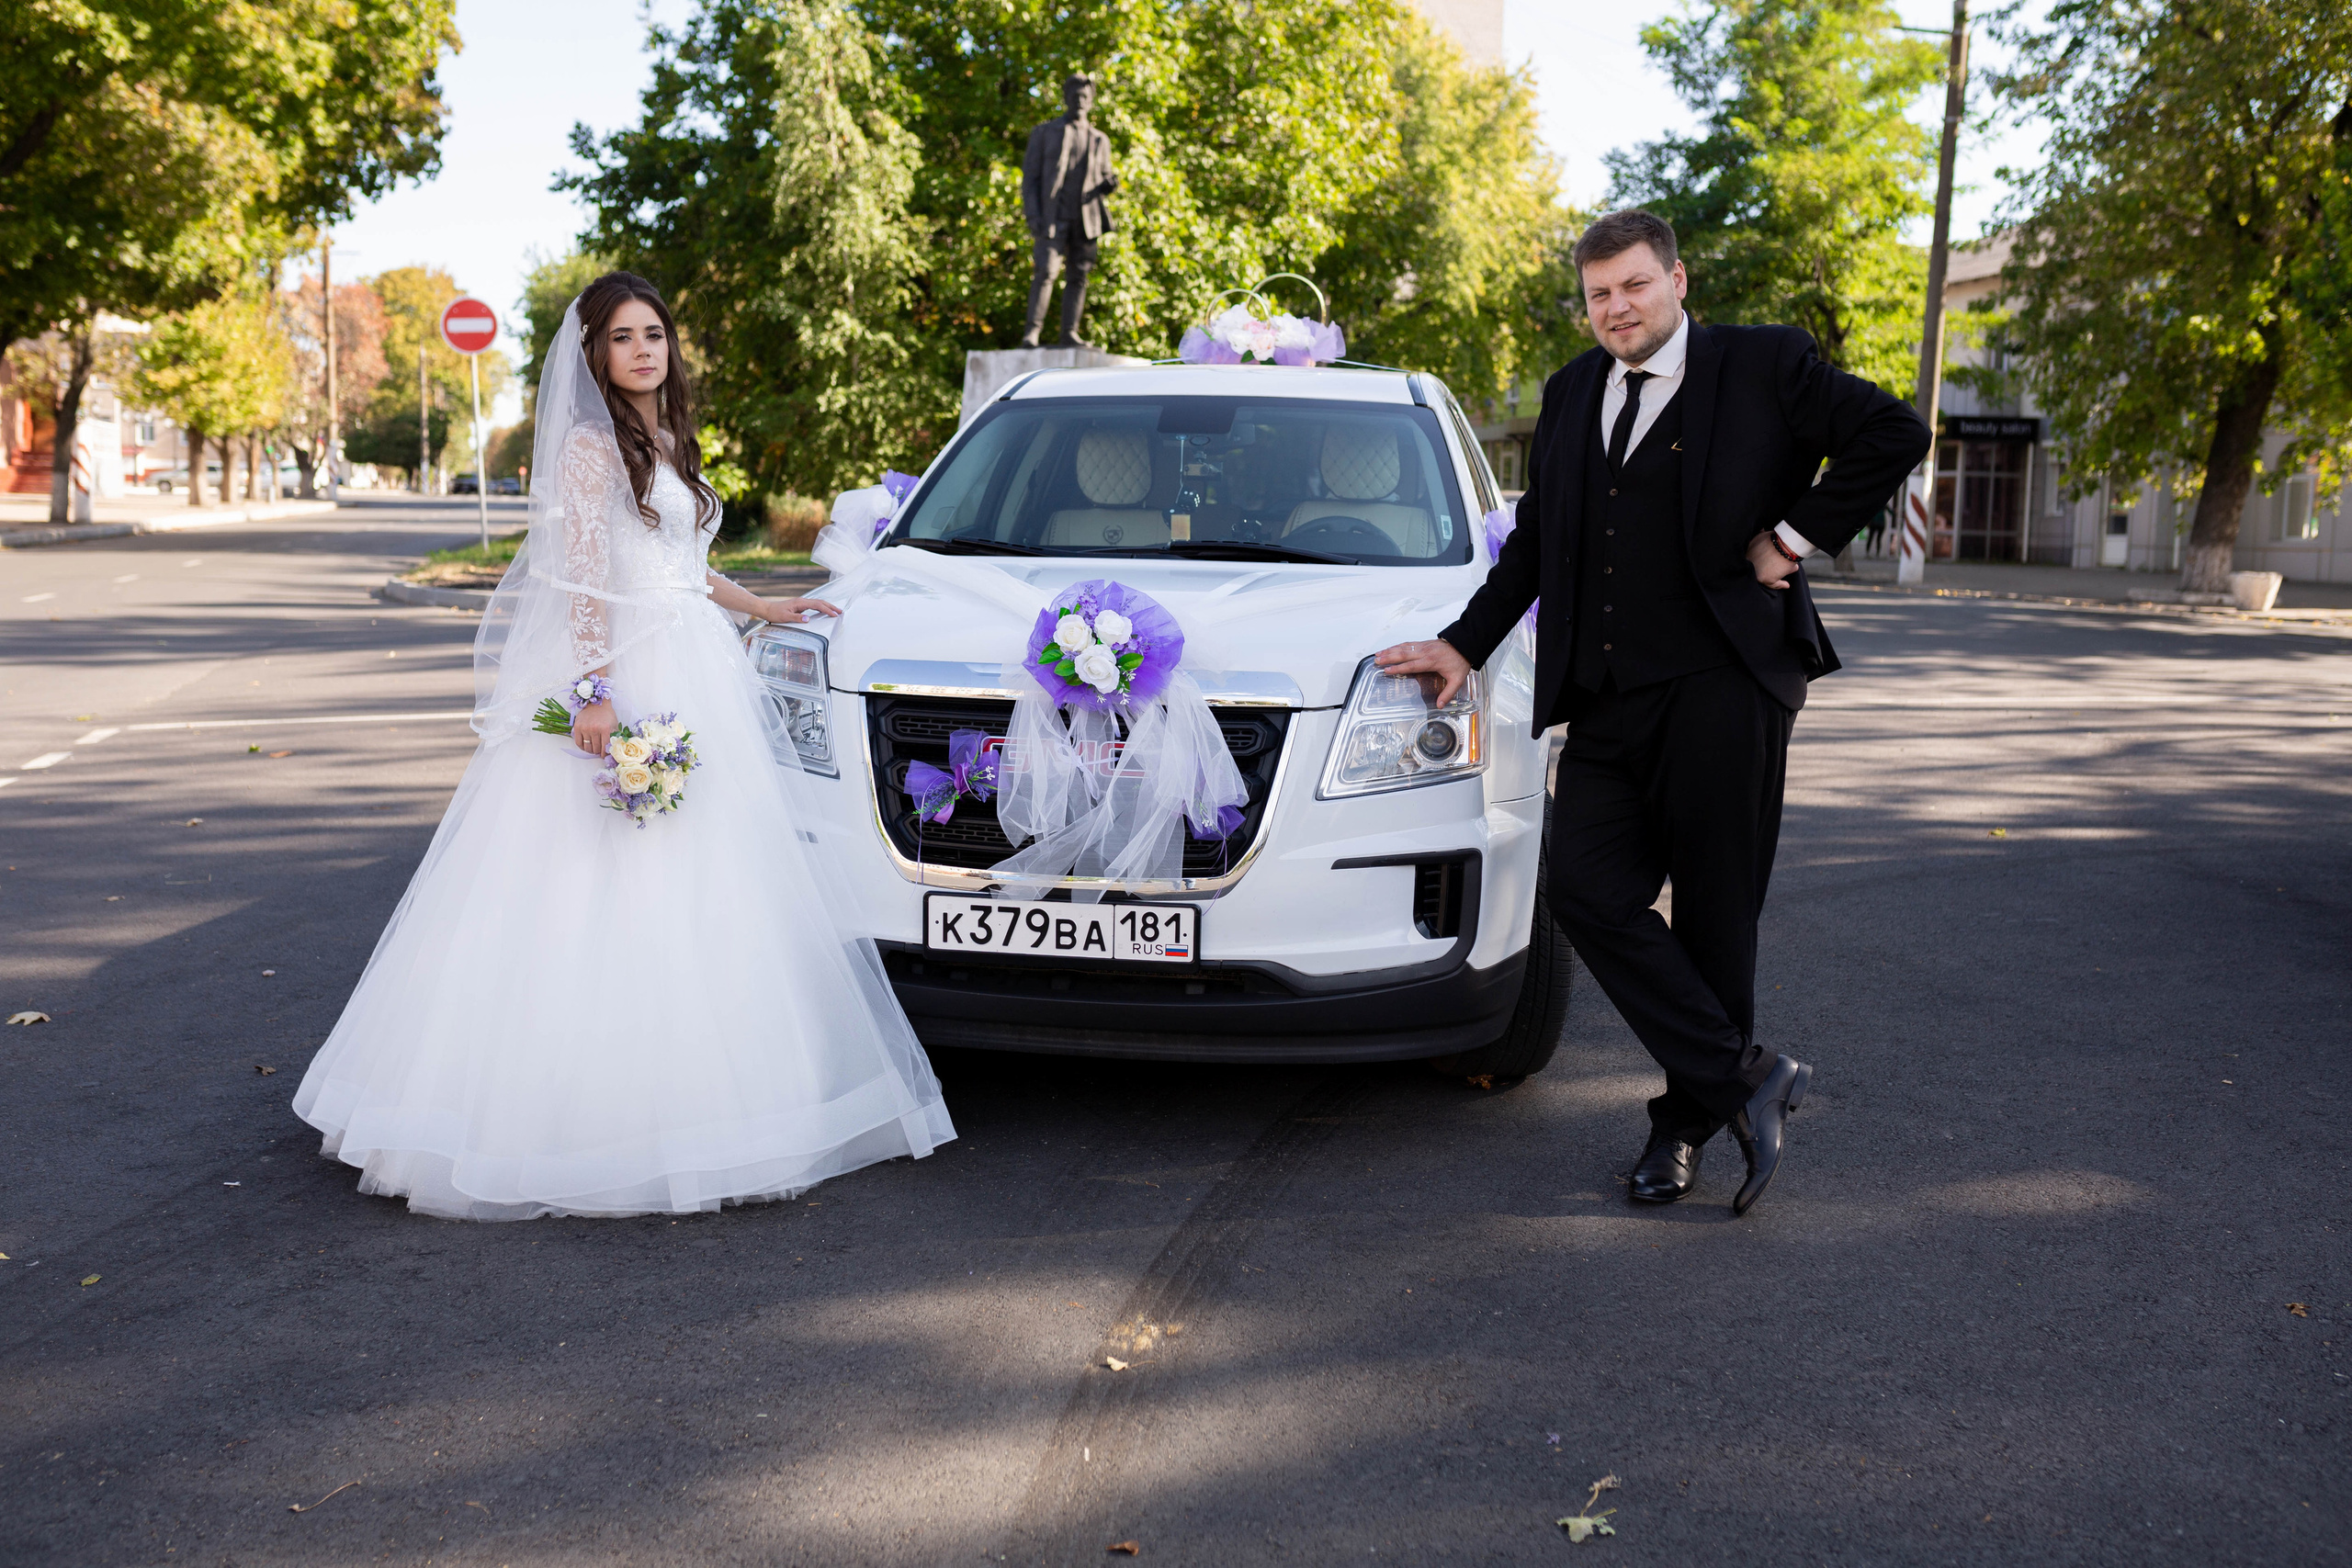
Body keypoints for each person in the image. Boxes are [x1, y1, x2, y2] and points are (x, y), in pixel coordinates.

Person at [292, 272, 956, 1220]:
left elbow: (682, 564)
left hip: (695, 658)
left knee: (710, 875)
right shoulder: (589, 449)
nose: (645, 350)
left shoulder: (670, 438)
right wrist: (596, 693)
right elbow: (581, 577)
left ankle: (719, 1092)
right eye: (622, 338)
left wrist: (761, 604)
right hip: (633, 670)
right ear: (595, 355)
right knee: (602, 871)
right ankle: (576, 1113)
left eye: (655, 334)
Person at [1375, 210, 1929, 1216]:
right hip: (1608, 697)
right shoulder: (1571, 391)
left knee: (1718, 920)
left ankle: (1681, 1128)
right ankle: (1745, 1076)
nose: (1616, 308)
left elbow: (1896, 431)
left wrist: (1794, 537)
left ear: (1676, 280)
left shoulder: (1762, 365)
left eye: (1633, 286)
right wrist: (1463, 643)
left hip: (1727, 688)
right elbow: (1537, 544)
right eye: (1598, 295)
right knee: (1584, 889)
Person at [1018, 74, 1119, 348]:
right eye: (1075, 96)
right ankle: (1032, 332)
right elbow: (1030, 179)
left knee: (1078, 276)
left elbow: (1105, 177)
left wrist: (1110, 184)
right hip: (1052, 216)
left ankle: (1069, 333)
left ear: (1091, 100)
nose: (1080, 101)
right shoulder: (1045, 133)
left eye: (1085, 97)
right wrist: (1034, 215)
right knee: (1046, 272)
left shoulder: (1100, 139)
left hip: (1085, 220)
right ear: (1066, 97)